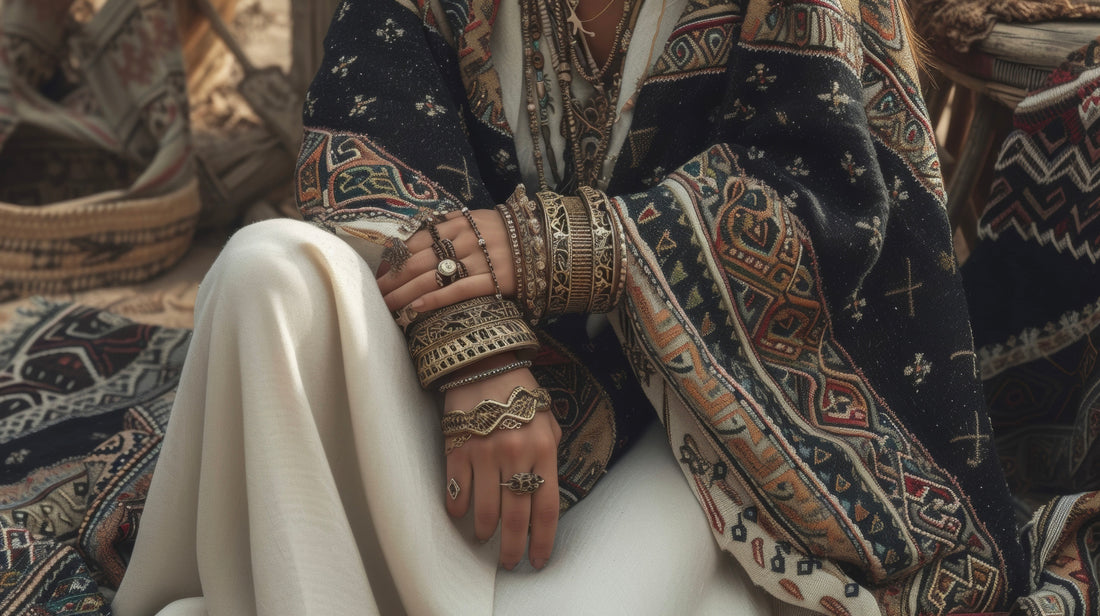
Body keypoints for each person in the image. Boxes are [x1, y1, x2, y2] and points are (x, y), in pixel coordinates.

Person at [111, 0, 1095, 614]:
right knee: (265, 270)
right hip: (466, 401)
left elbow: (832, 215)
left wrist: (561, 248)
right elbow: (367, 151)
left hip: (716, 432)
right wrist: (473, 350)